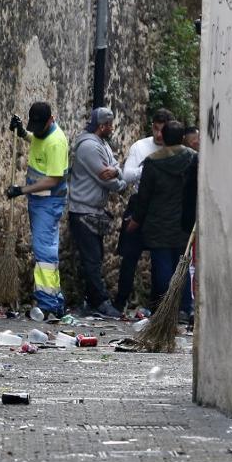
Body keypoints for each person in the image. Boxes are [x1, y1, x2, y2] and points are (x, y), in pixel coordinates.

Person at [6, 101, 69, 318]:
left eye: (38, 126)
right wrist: (23, 132)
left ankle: (49, 302)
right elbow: (36, 141)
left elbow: (52, 179)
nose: (37, 130)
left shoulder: (57, 143)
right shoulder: (43, 135)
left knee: (44, 252)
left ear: (51, 120)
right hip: (39, 202)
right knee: (44, 248)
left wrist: (21, 190)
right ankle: (54, 300)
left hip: (48, 202)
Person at [129, 121, 196, 322]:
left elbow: (144, 196)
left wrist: (136, 220)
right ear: (183, 138)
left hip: (157, 222)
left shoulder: (152, 163)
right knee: (182, 265)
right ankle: (185, 308)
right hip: (184, 221)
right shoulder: (193, 160)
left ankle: (166, 308)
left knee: (163, 266)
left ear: (163, 138)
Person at [66, 107, 126, 319]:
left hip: (93, 211)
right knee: (91, 259)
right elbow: (105, 177)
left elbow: (114, 167)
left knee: (95, 258)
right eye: (109, 124)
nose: (111, 128)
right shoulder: (90, 147)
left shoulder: (103, 145)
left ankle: (91, 301)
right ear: (102, 126)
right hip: (83, 211)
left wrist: (117, 172)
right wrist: (119, 178)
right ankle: (100, 301)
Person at [114, 108, 173, 314]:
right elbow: (127, 175)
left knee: (161, 257)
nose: (158, 135)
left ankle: (157, 307)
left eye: (162, 130)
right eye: (155, 129)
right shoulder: (140, 147)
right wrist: (149, 169)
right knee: (130, 255)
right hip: (140, 202)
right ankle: (120, 301)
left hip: (161, 205)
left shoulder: (174, 149)